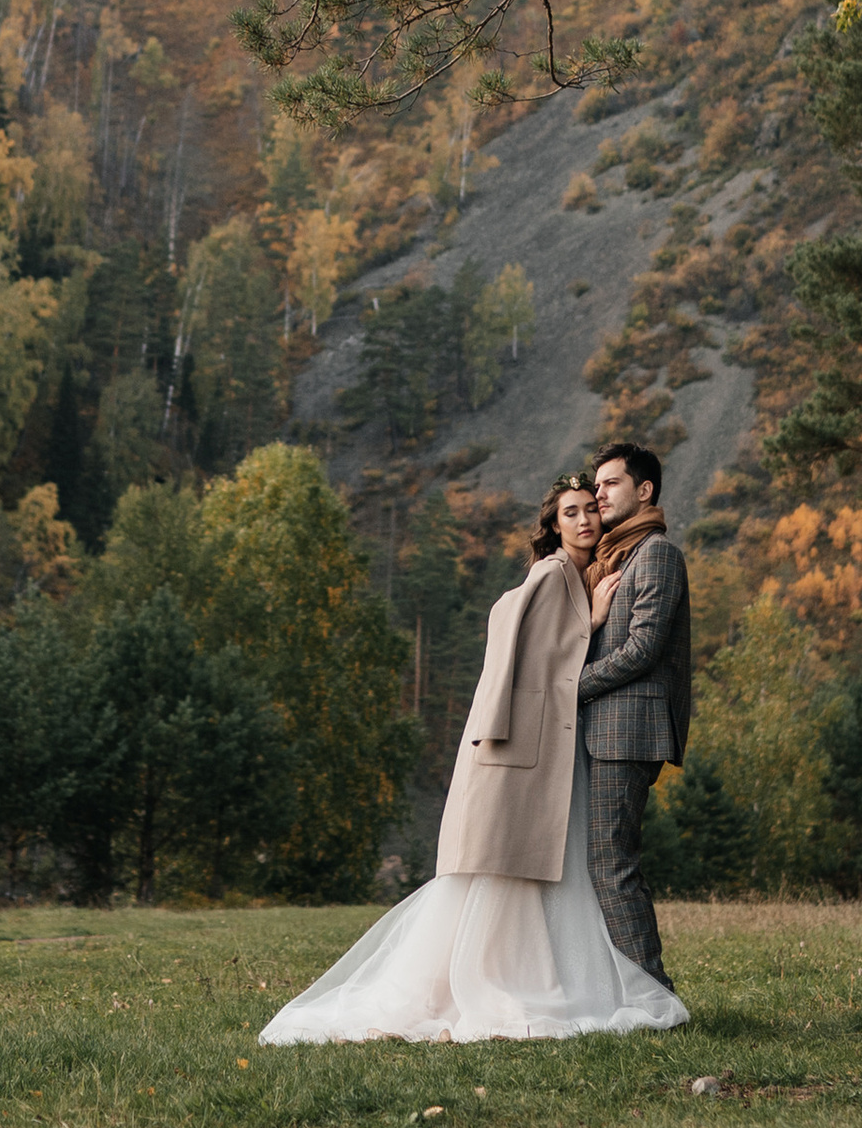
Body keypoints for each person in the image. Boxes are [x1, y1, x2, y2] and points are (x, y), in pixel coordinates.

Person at [258, 474, 689, 1044]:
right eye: (571, 513)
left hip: (551, 750)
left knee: (549, 875)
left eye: (591, 509)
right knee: (532, 873)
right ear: (553, 525)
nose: (586, 520)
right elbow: (528, 655)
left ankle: (542, 978)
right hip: (533, 753)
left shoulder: (575, 574)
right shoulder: (556, 572)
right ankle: (515, 985)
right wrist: (594, 620)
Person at [579, 440, 693, 990]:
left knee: (612, 863)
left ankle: (653, 997)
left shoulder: (657, 555)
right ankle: (621, 991)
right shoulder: (613, 556)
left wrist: (570, 688)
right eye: (595, 484)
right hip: (604, 727)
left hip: (628, 730)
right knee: (604, 861)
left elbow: (643, 649)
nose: (598, 493)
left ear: (644, 490)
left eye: (610, 483)